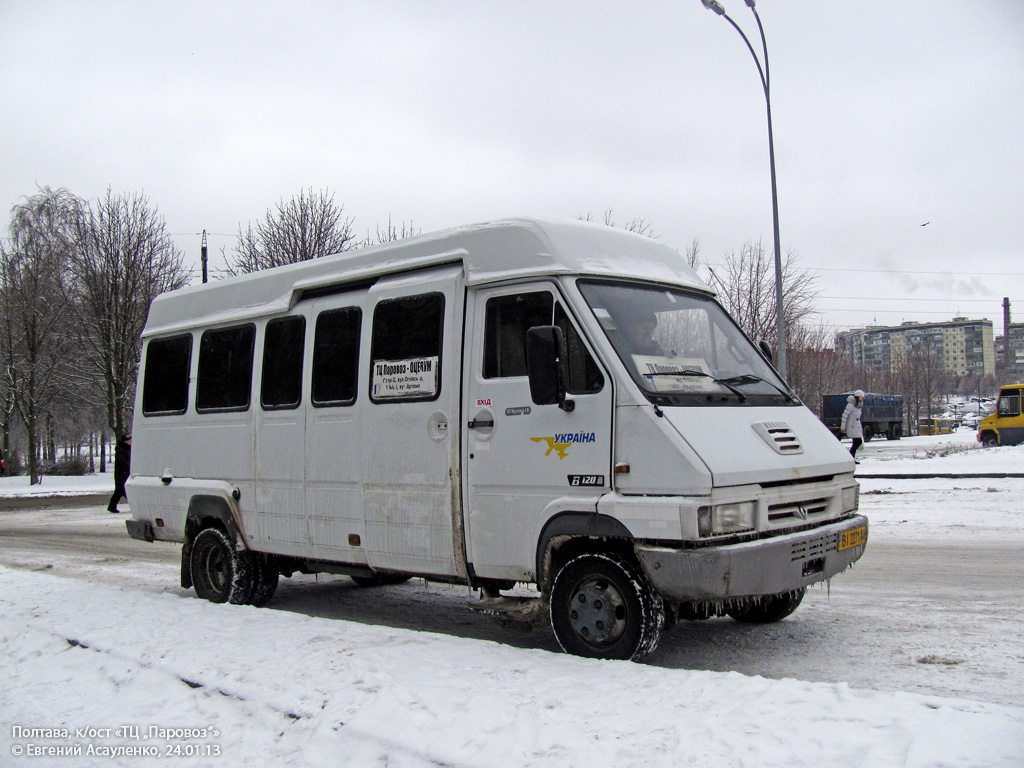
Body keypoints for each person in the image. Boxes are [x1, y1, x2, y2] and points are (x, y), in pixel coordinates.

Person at [108, 433, 132, 513]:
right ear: (125, 441)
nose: (130, 441)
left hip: (125, 473)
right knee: (122, 491)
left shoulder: (128, 448)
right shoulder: (121, 449)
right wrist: (129, 467)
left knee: (119, 491)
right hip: (122, 473)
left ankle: (112, 507)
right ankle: (135, 506)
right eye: (129, 440)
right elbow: (121, 461)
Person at [842, 391, 865, 463]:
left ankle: (851, 458)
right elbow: (845, 415)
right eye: (861, 397)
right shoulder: (851, 405)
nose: (862, 398)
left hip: (856, 425)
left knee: (856, 442)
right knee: (857, 441)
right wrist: (843, 426)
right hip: (852, 425)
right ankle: (850, 458)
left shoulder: (858, 405)